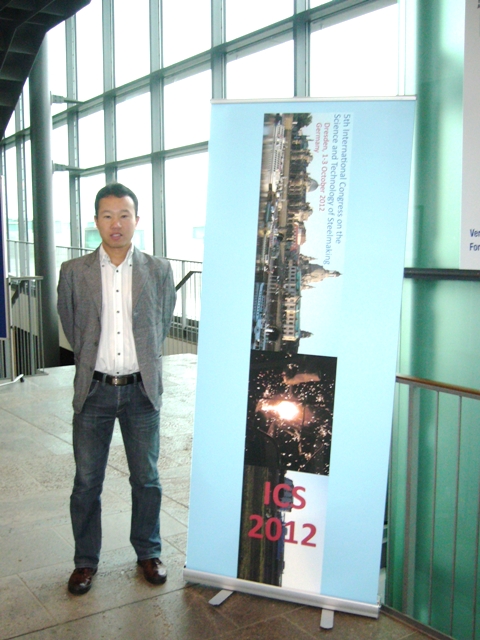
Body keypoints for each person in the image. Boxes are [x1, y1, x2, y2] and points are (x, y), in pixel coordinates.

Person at [57, 183, 176, 595]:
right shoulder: (74, 272)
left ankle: (148, 551)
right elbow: (72, 324)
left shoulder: (158, 270)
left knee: (147, 479)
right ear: (96, 221)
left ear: (136, 220)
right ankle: (85, 562)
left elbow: (161, 323)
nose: (116, 224)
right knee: (86, 482)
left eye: (124, 215)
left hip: (142, 392)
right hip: (95, 391)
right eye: (107, 216)